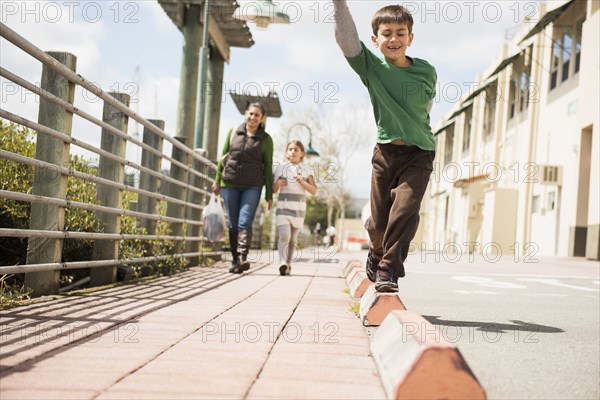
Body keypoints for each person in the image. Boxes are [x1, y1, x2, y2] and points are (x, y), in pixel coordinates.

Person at [333, 2, 437, 292]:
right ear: (375, 40)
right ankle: (377, 249)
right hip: (386, 154)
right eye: (387, 33)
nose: (394, 39)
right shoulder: (371, 66)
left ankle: (388, 270)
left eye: (400, 33)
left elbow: (425, 108)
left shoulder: (427, 71)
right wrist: (339, 4)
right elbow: (346, 40)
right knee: (380, 225)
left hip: (420, 153)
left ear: (410, 38)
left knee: (405, 211)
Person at [212, 102, 274, 274]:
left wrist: (269, 194)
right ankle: (234, 260)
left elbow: (268, 167)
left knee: (244, 221)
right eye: (251, 113)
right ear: (246, 113)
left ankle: (243, 257)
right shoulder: (233, 133)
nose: (253, 117)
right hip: (229, 184)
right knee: (233, 224)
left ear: (262, 118)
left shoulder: (266, 140)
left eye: (257, 115)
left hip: (252, 187)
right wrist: (217, 181)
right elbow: (222, 158)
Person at [272, 140, 317, 276]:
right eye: (290, 149)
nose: (292, 151)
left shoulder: (307, 169)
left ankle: (288, 264)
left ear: (302, 153)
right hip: (283, 206)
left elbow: (314, 190)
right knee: (284, 235)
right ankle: (282, 262)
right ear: (286, 153)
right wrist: (278, 183)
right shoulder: (280, 167)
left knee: (293, 239)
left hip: (298, 209)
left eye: (296, 149)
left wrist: (302, 182)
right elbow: (273, 190)